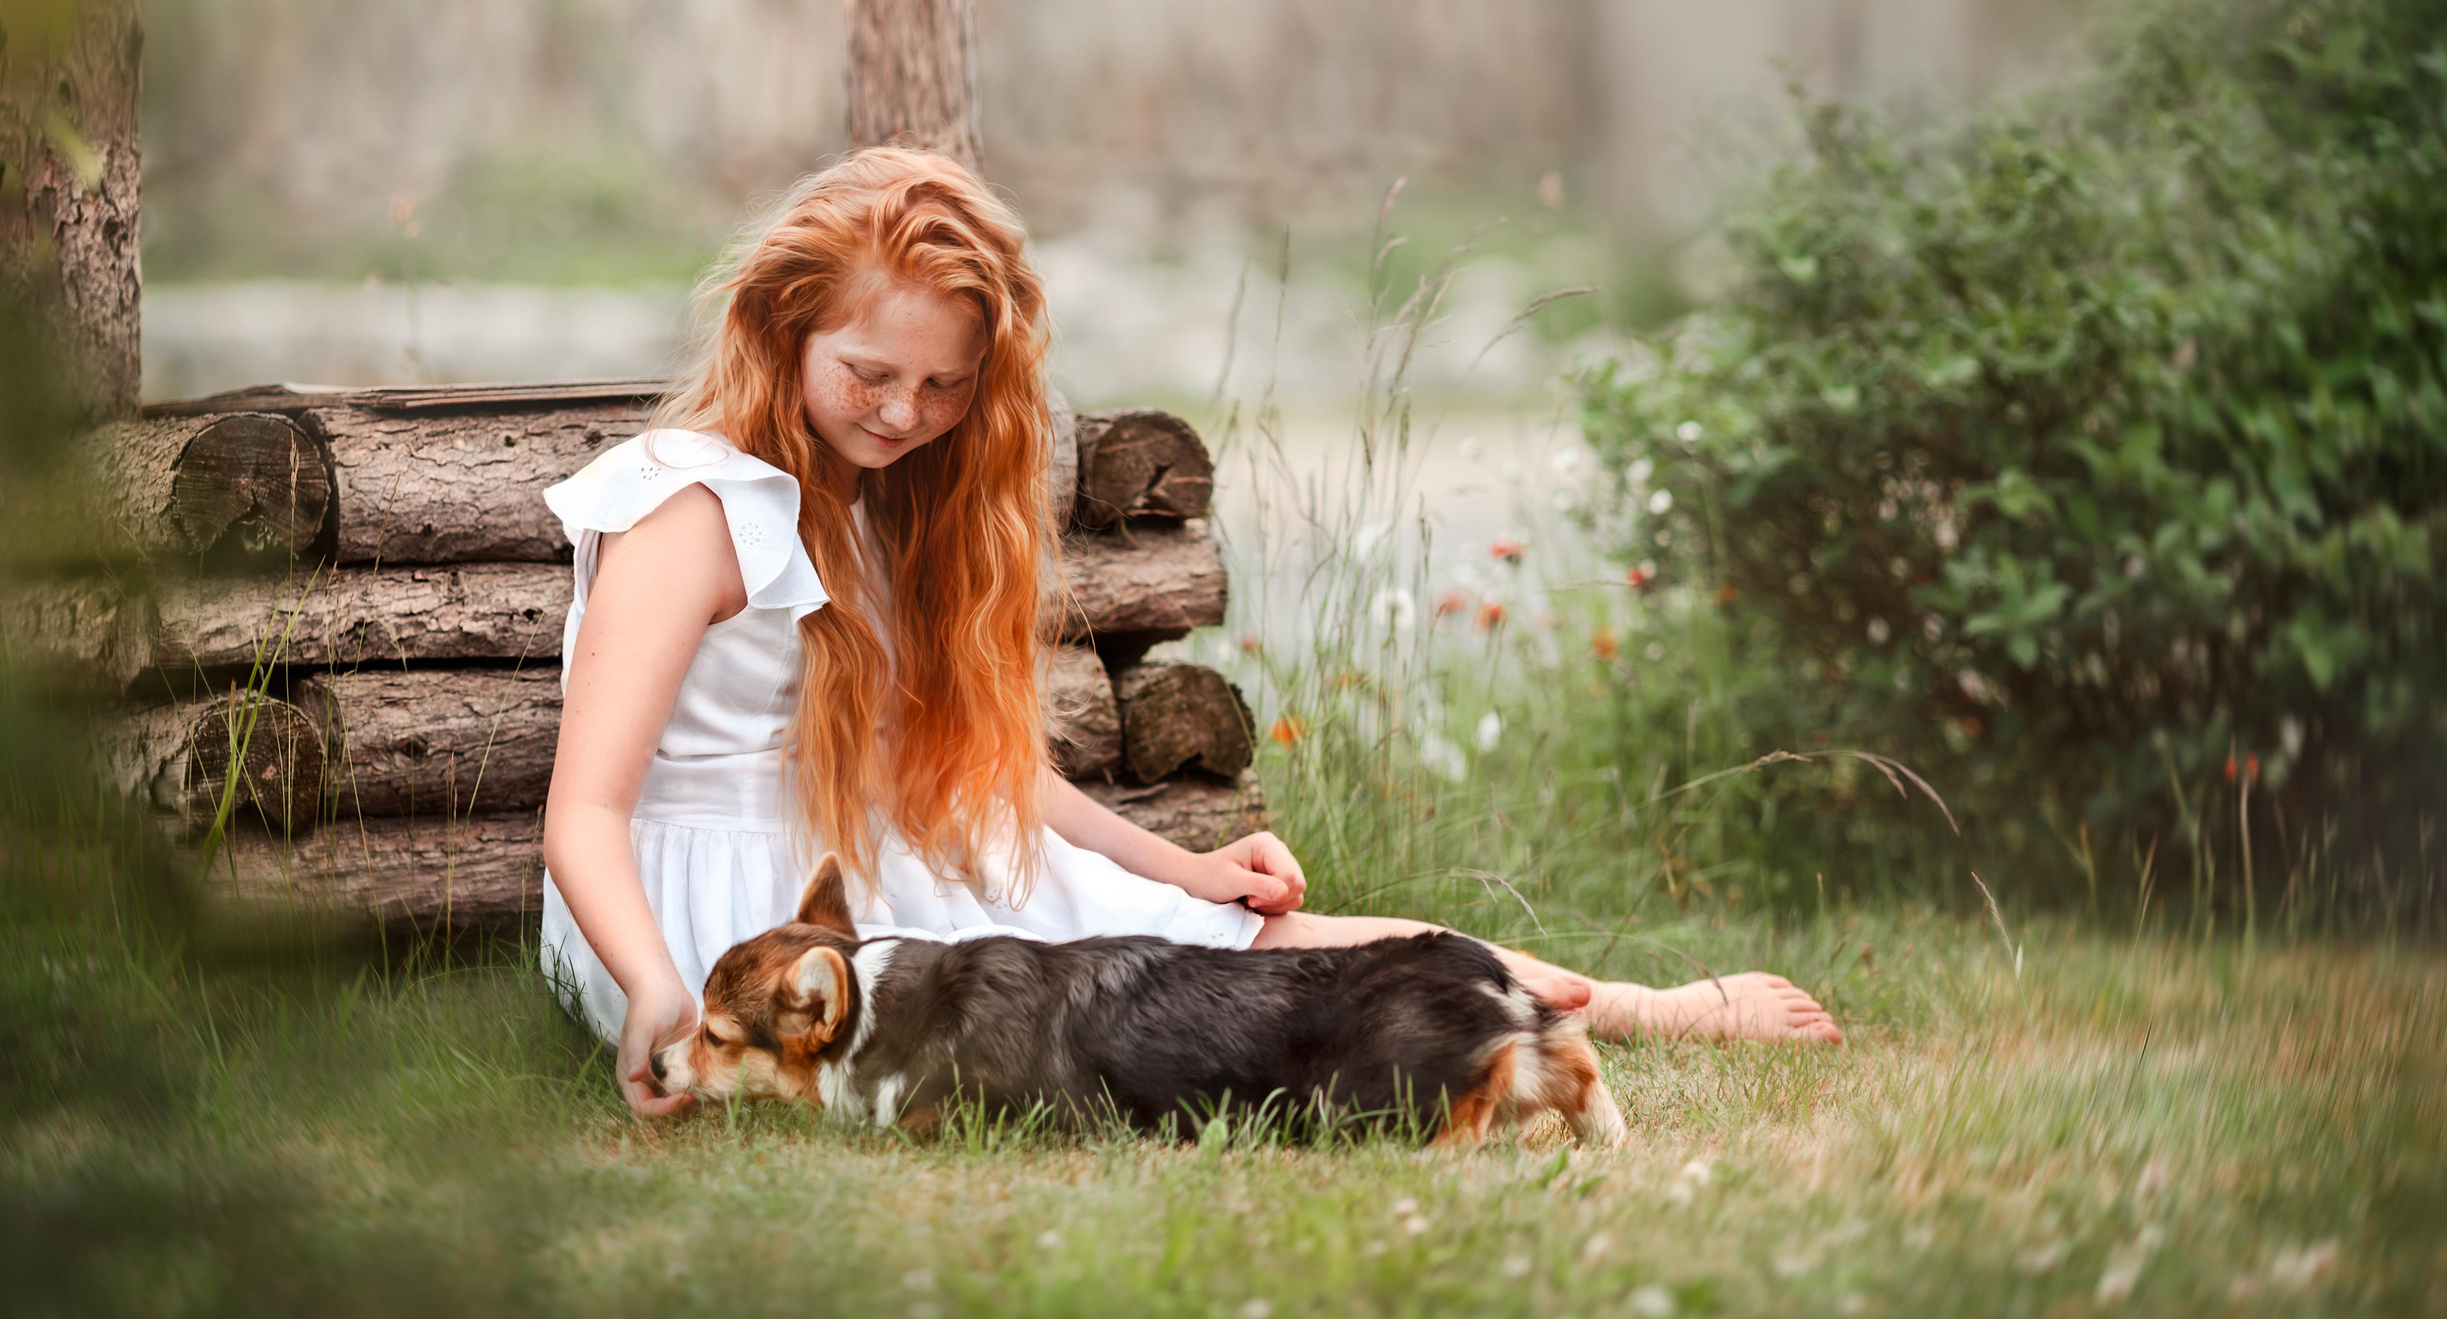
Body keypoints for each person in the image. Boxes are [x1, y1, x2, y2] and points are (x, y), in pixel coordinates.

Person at [540, 147, 1842, 1121]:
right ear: (784, 327)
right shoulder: (691, 505)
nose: (903, 414)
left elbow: (953, 763)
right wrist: (656, 989)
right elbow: (585, 812)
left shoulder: (866, 513)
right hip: (712, 927)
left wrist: (1184, 868)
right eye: (869, 375)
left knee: (1240, 946)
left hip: (858, 870)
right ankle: (1607, 1015)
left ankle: (1629, 1010)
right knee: (1172, 996)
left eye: (944, 387)